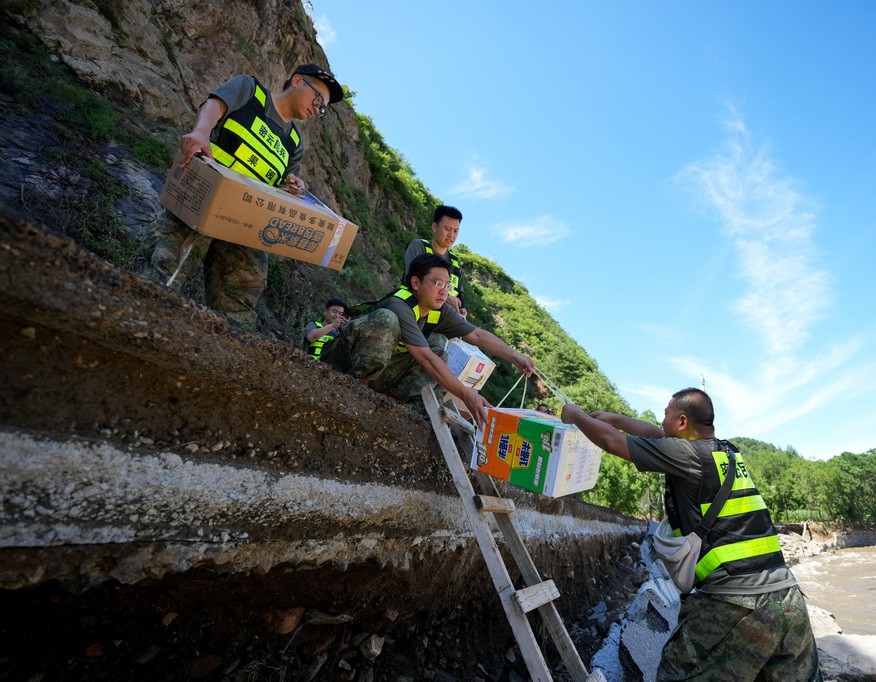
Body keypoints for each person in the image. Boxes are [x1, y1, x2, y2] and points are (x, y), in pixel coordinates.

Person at [560, 388, 822, 682]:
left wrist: (576, 416)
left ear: (682, 422)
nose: (662, 422)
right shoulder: (726, 452)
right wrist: (616, 417)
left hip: (737, 603)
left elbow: (612, 441)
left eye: (666, 416)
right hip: (788, 598)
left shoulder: (687, 455)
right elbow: (657, 435)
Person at [146, 64, 345, 330]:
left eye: (322, 109)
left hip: (244, 224)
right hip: (203, 200)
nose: (317, 109)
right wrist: (201, 132)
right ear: (297, 81)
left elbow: (280, 186)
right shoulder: (250, 91)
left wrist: (292, 188)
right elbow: (214, 105)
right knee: (164, 269)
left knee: (242, 298)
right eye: (317, 100)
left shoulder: (294, 143)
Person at [320, 253, 535, 425]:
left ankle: (391, 406)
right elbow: (424, 357)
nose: (444, 292)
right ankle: (354, 391)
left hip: (383, 372)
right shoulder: (400, 305)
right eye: (437, 283)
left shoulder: (438, 310)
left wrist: (515, 356)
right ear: (415, 282)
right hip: (342, 359)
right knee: (389, 321)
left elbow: (477, 335)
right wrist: (465, 394)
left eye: (447, 285)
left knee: (439, 347)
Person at [403, 205, 467, 316]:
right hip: (412, 311)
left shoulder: (455, 262)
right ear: (434, 227)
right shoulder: (419, 246)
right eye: (447, 229)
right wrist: (447, 297)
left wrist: (462, 309)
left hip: (441, 320)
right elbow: (412, 279)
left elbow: (459, 294)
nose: (451, 235)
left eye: (456, 231)